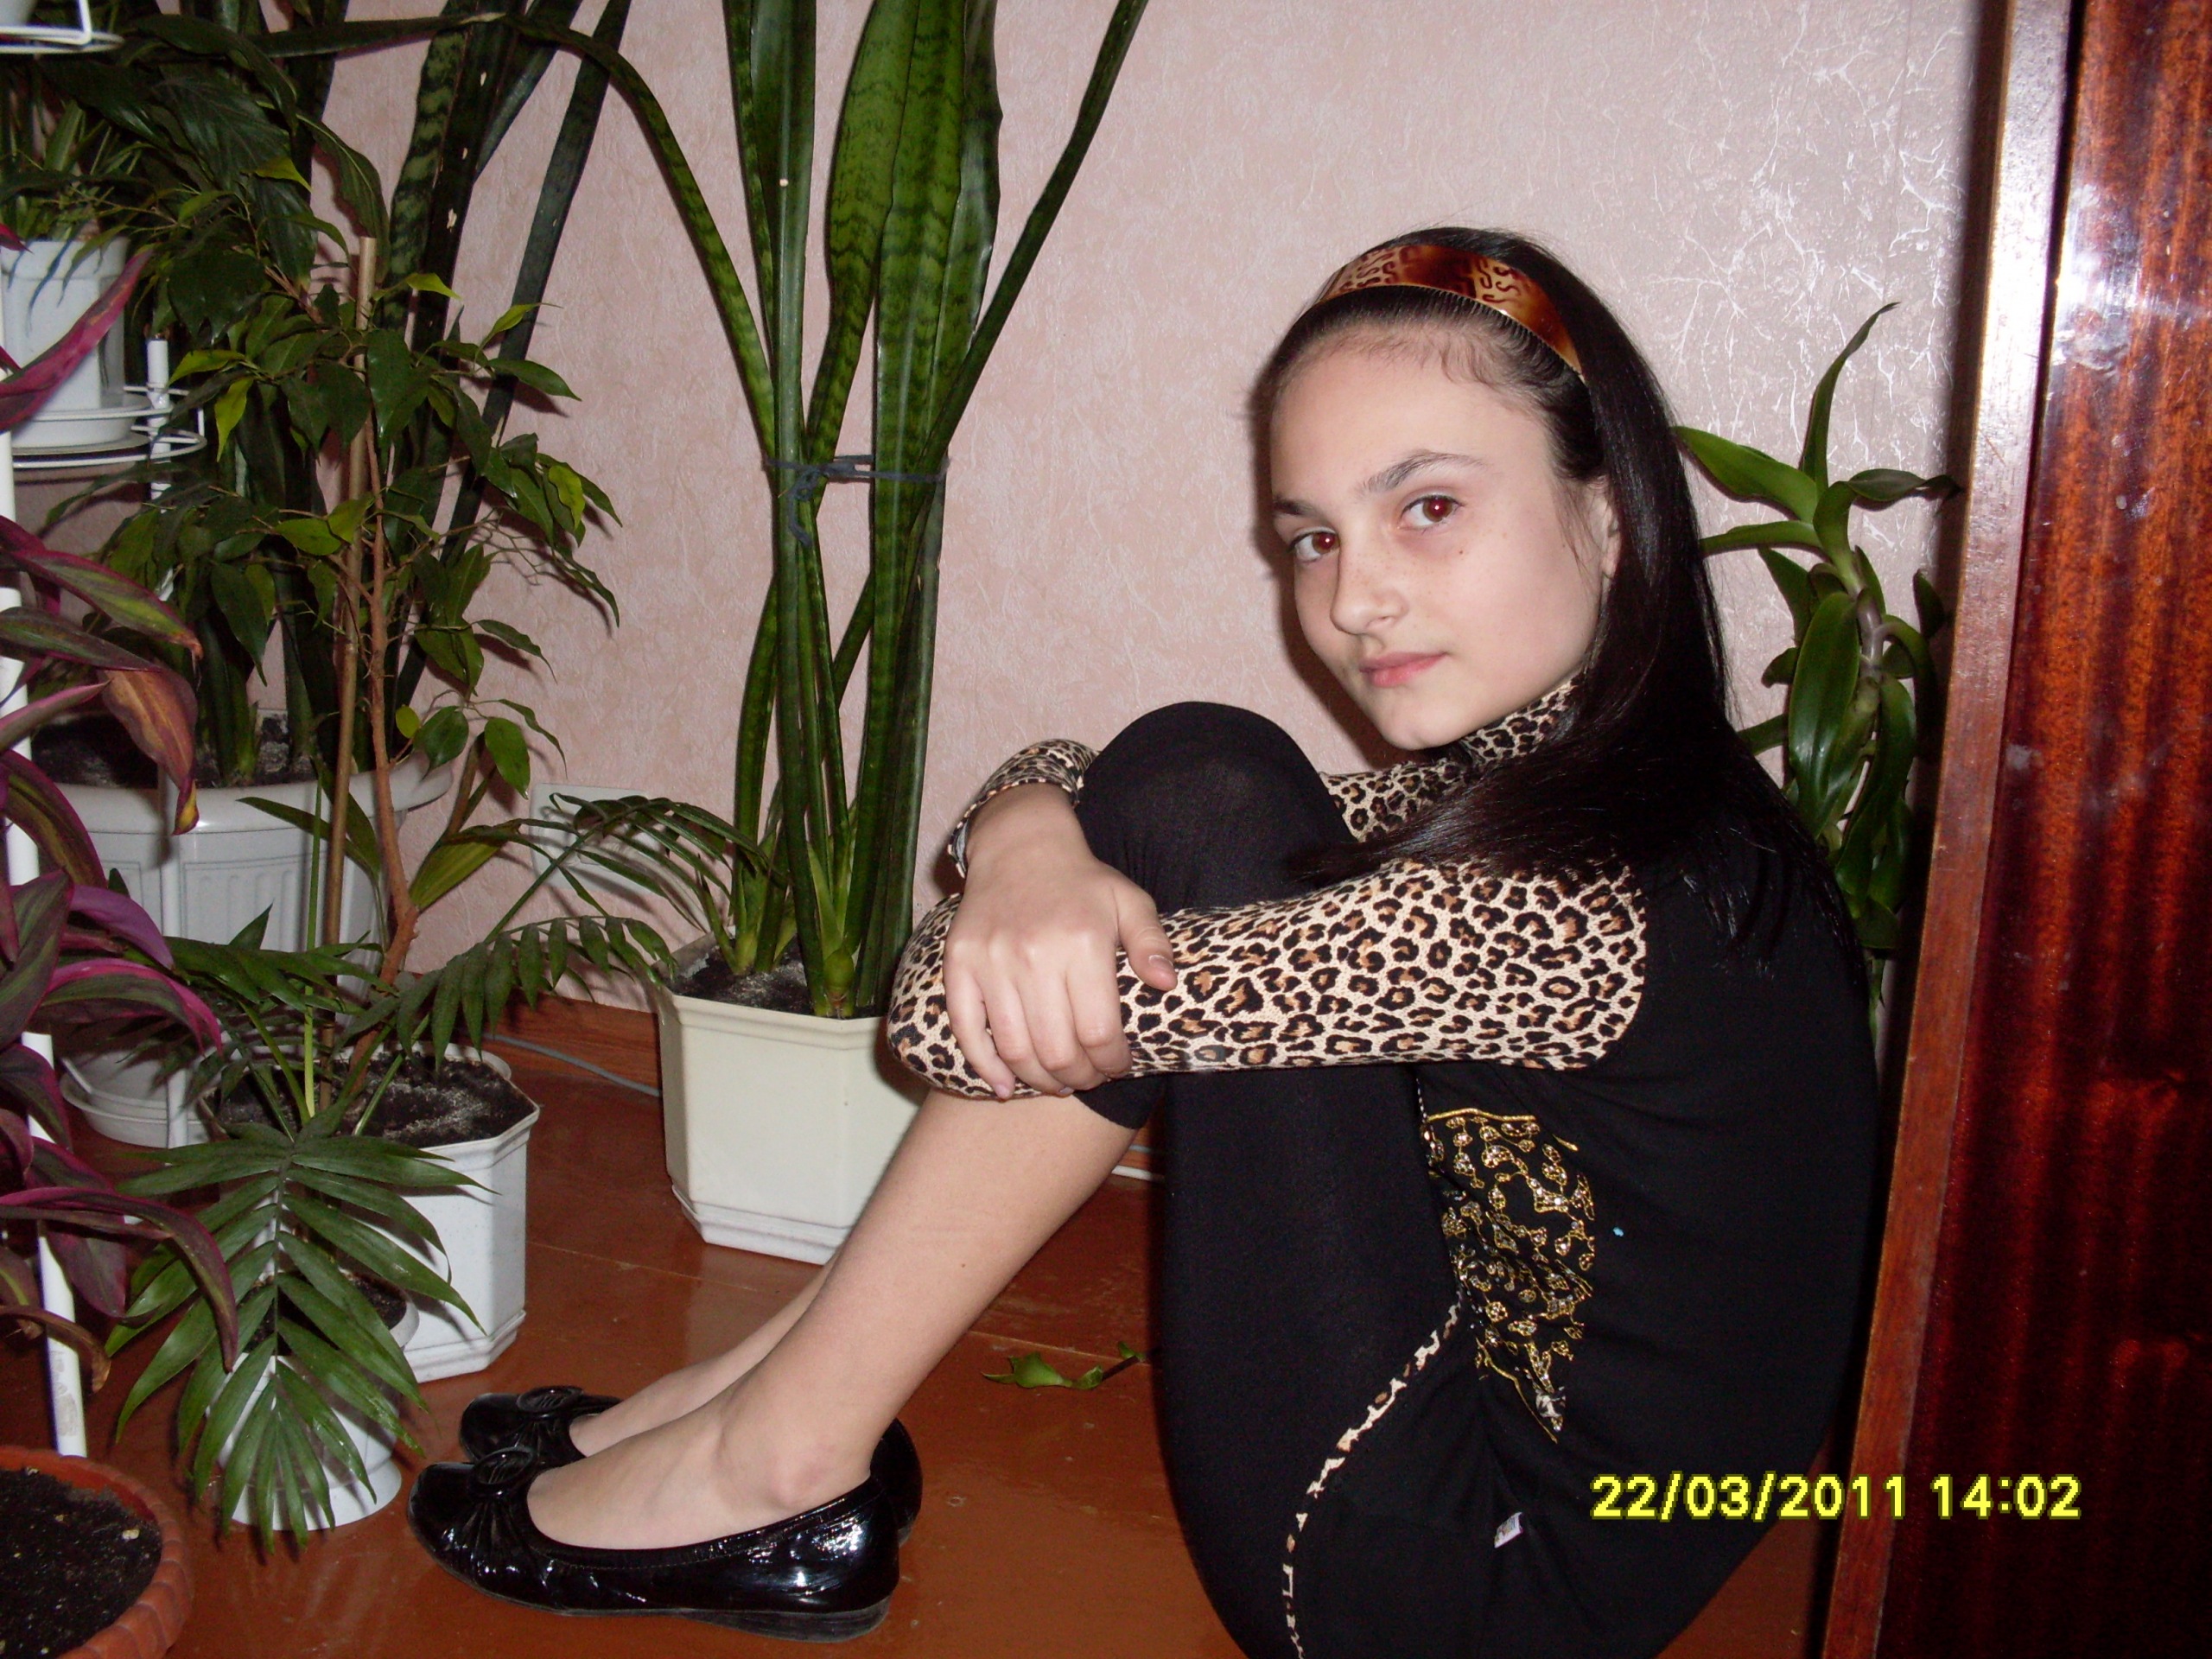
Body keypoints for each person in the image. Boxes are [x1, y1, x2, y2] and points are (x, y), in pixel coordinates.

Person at [409, 228, 1880, 1659]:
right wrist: (1028, 838)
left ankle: (778, 1458)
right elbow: (1121, 802)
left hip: (1466, 1590)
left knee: (1197, 783)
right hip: (1530, 1459)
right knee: (1202, 777)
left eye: (1427, 506)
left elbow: (953, 1022)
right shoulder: (1606, 786)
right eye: (1313, 537)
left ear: (1608, 514)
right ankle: (765, 1390)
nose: (1352, 598)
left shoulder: (1571, 906)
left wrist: (1032, 861)